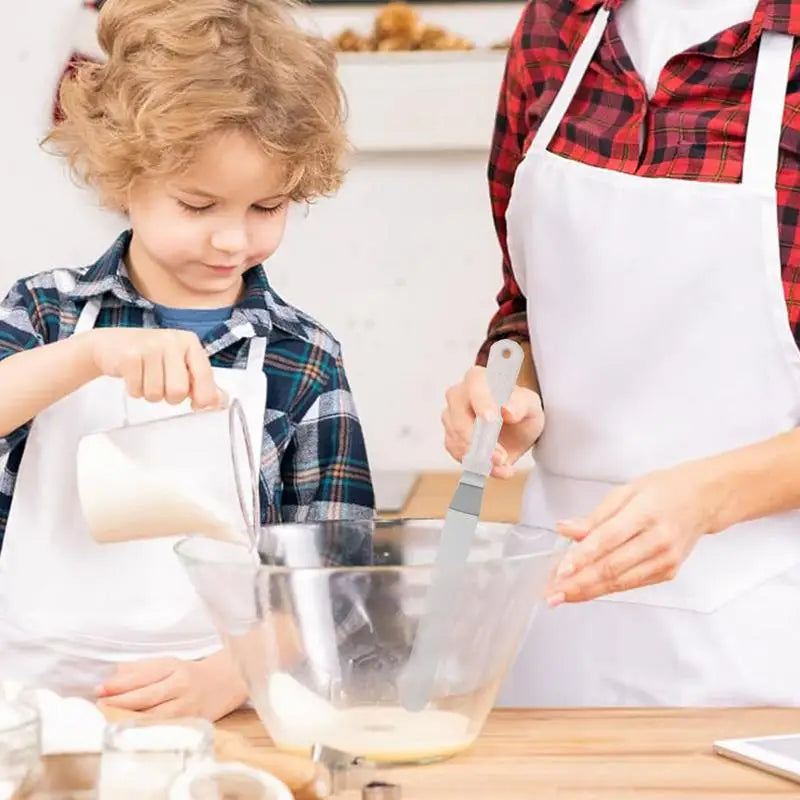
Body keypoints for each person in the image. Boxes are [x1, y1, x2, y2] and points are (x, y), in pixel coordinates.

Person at [0, 0, 374, 719]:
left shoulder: (305, 360)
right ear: (121, 177)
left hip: (215, 712)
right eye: (198, 206)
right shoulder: (46, 316)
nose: (233, 241)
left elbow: (341, 578)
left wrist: (233, 673)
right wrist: (91, 355)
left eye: (266, 208)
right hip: (22, 706)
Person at [443, 0, 800, 707]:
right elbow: (525, 307)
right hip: (552, 629)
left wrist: (708, 496)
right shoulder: (556, 26)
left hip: (766, 647)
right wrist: (507, 386)